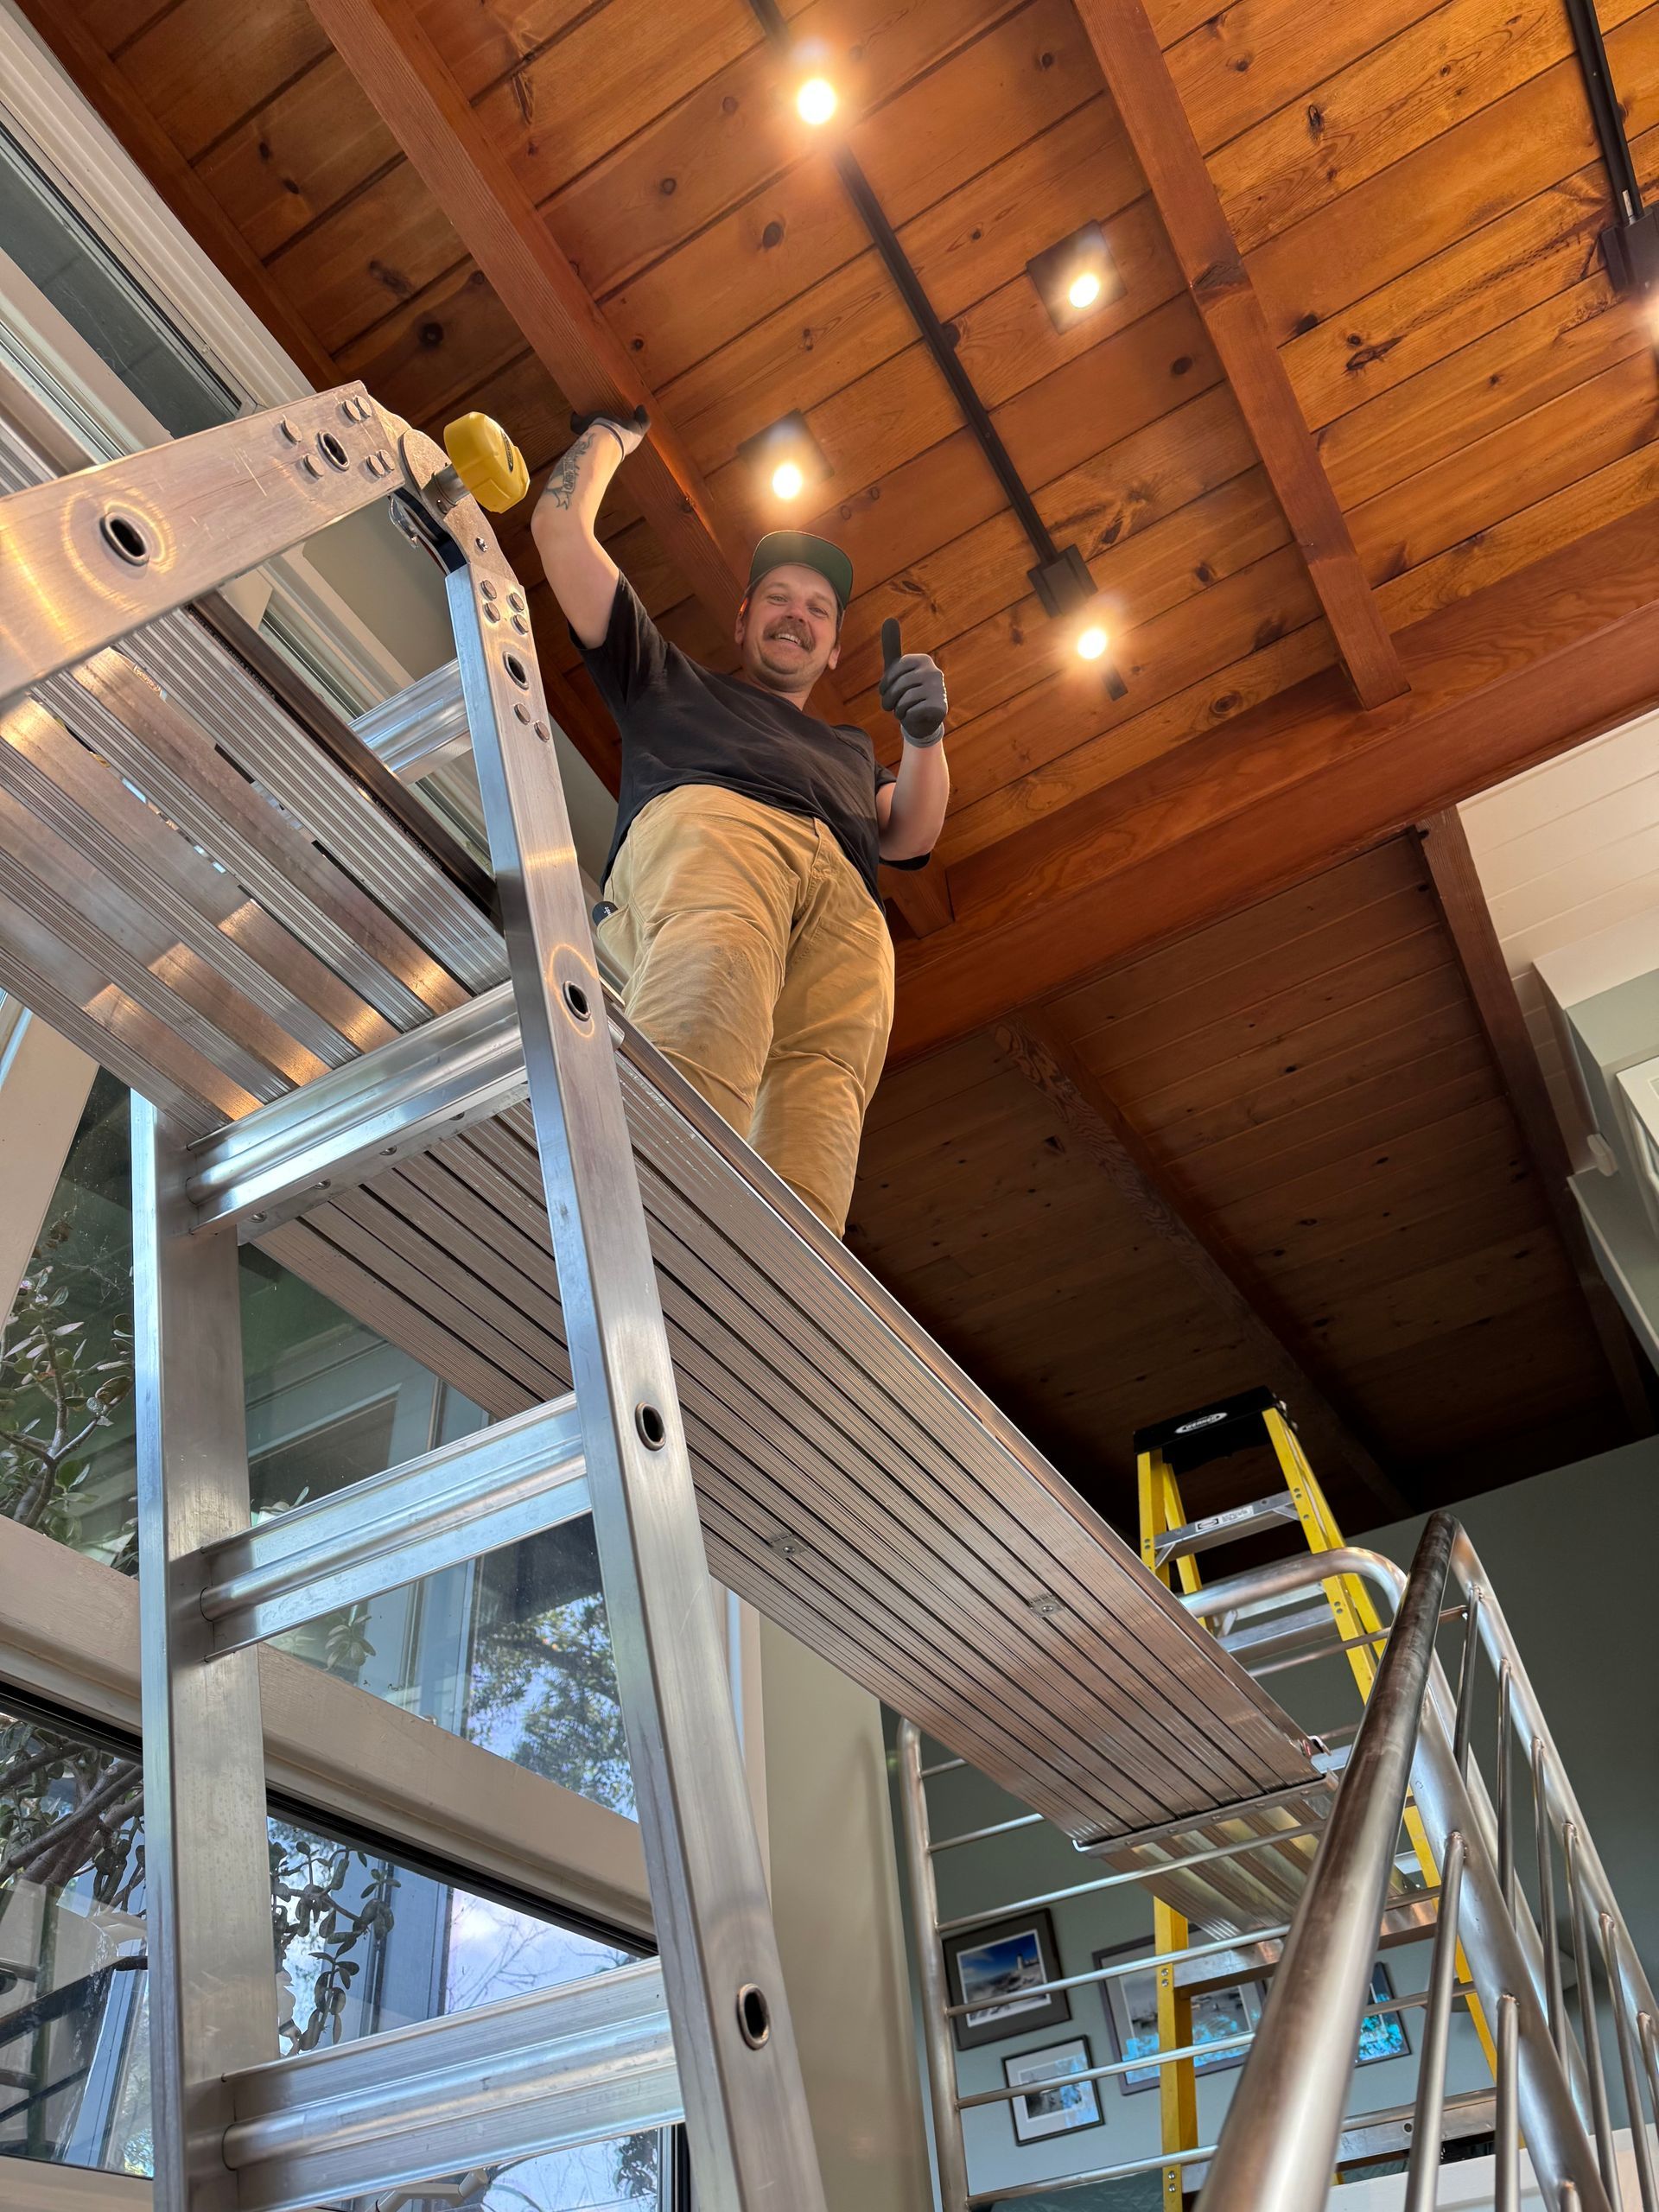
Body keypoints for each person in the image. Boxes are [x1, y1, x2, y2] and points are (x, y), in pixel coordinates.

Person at [531, 410, 949, 1236]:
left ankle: (771, 1303)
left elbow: (912, 836)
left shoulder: (849, 749)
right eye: (779, 599)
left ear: (833, 650)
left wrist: (925, 736)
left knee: (822, 1090)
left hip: (847, 904)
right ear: (743, 619)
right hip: (722, 835)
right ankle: (640, 1224)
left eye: (818, 610)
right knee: (715, 979)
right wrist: (612, 435)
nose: (797, 615)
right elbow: (558, 528)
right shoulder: (666, 678)